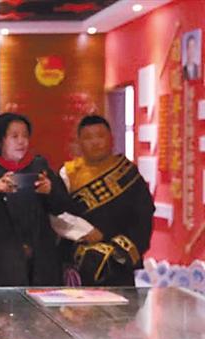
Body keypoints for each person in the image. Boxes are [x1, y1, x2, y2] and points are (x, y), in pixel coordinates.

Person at [0, 113, 74, 286]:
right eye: (14, 136)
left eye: (25, 136)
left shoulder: (39, 166)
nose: (21, 141)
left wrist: (50, 190)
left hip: (40, 264)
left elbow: (62, 206)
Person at [51, 115, 155, 286]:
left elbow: (143, 215)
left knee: (121, 303)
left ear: (111, 138)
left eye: (100, 136)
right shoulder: (68, 173)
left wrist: (119, 252)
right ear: (79, 142)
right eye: (88, 137)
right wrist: (86, 232)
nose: (95, 142)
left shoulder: (127, 172)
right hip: (79, 263)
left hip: (119, 263)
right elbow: (56, 213)